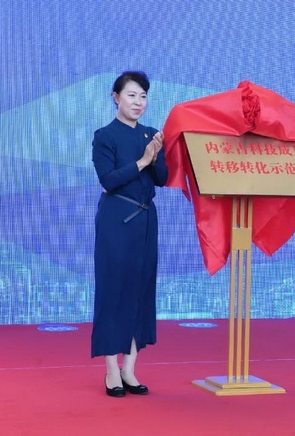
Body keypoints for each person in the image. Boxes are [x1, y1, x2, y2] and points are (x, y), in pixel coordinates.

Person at [91, 71, 168, 397]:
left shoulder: (150, 134)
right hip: (117, 219)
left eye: (143, 96)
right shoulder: (104, 136)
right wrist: (143, 160)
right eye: (132, 95)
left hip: (146, 219)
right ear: (116, 97)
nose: (138, 102)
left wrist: (158, 154)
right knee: (114, 290)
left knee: (140, 290)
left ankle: (130, 370)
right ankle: (111, 371)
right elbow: (108, 180)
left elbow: (162, 178)